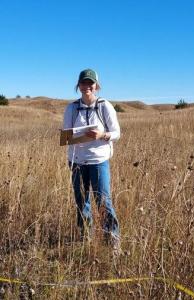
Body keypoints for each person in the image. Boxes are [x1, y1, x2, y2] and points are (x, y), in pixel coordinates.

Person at [63, 69, 121, 253]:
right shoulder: (71, 108)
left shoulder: (105, 106)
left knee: (103, 201)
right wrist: (70, 156)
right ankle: (84, 236)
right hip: (77, 162)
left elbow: (117, 133)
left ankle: (112, 240)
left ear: (96, 86)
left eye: (90, 83)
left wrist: (102, 134)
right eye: (83, 83)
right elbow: (65, 136)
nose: (86, 86)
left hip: (98, 161)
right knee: (81, 201)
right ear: (78, 85)